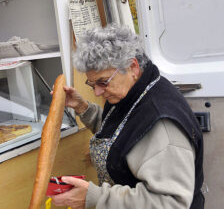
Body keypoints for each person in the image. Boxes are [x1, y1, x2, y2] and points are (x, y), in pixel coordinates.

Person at [51, 24, 204, 209]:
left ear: (132, 67)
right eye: (92, 84)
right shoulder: (132, 92)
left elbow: (171, 203)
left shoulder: (162, 124)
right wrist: (83, 107)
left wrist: (95, 197)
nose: (98, 92)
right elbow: (124, 132)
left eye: (103, 82)